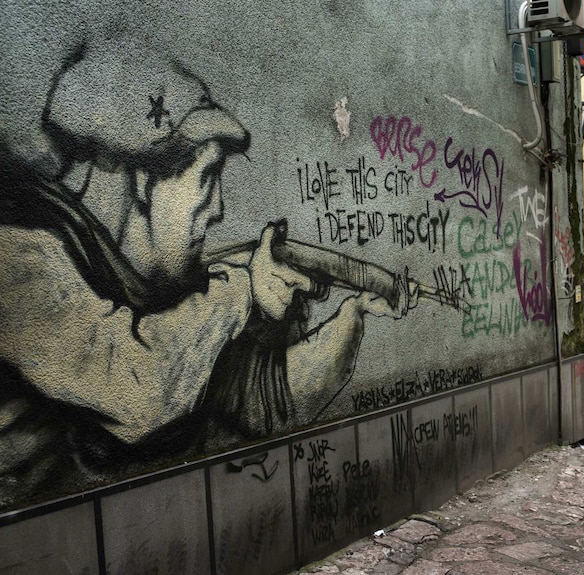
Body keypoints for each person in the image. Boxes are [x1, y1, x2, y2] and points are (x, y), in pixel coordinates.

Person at [0, 38, 417, 505]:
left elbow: (263, 400)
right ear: (140, 181)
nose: (216, 209)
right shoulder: (17, 258)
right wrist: (241, 290)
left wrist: (350, 319)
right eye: (206, 178)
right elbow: (139, 389)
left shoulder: (163, 294)